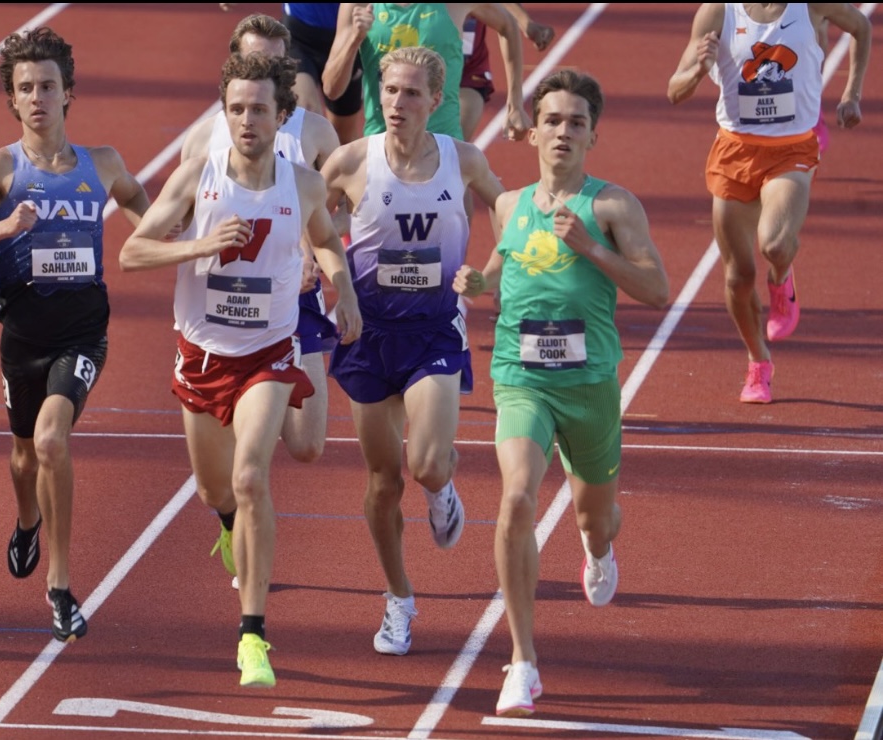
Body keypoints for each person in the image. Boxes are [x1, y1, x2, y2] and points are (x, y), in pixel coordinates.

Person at [119, 52, 362, 688]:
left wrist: (345, 290)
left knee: (252, 476)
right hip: (202, 354)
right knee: (215, 490)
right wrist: (201, 244)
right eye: (235, 109)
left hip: (269, 353)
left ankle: (253, 635)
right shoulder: (198, 178)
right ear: (222, 113)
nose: (246, 120)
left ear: (281, 116)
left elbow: (328, 240)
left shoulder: (302, 183)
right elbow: (133, 251)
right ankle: (228, 526)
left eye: (258, 109)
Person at [453, 69, 669, 716]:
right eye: (552, 120)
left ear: (593, 136)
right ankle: (523, 661)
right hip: (521, 381)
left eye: (577, 123)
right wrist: (476, 284)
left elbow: (657, 290)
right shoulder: (509, 205)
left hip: (590, 386)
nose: (563, 132)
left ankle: (598, 548)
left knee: (592, 517)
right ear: (534, 132)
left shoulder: (613, 207)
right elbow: (499, 267)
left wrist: (591, 247)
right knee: (516, 496)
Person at [0, 27, 150, 642]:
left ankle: (60, 585)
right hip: (21, 335)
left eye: (48, 86)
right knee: (24, 456)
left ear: (68, 93)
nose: (37, 98)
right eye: (25, 88)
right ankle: (27, 521)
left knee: (53, 439)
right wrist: (0, 231)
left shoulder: (100, 162)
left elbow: (141, 204)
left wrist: (171, 238)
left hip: (83, 330)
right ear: (12, 99)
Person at [320, 46, 506, 657]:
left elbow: (510, 213)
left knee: (424, 464)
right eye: (389, 92)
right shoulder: (352, 162)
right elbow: (310, 222)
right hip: (367, 334)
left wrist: (491, 274)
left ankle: (442, 486)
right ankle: (399, 598)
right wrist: (322, 273)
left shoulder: (465, 161)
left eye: (410, 94)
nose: (396, 104)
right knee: (381, 481)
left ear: (435, 100)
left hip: (433, 332)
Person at [181, 13, 343, 590]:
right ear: (234, 66)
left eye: (280, 65)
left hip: (296, 302)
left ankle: (254, 431)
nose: (270, 73)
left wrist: (310, 251)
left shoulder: (316, 132)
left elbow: (337, 210)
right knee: (227, 482)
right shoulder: (204, 140)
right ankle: (237, 518)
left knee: (307, 446)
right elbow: (182, 225)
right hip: (222, 313)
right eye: (258, 62)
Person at [666, 3, 871, 403]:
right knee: (737, 277)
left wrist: (852, 94)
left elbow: (861, 27)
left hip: (791, 148)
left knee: (774, 242)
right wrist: (696, 69)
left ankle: (781, 279)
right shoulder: (717, 13)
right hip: (734, 151)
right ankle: (758, 362)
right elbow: (674, 90)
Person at [322, 3, 531, 143]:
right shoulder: (357, 6)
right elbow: (332, 90)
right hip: (381, 145)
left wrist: (515, 105)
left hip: (443, 143)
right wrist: (354, 38)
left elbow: (508, 25)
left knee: (473, 195)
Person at [220, 3, 364, 144]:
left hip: (347, 33)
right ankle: (298, 164)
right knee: (306, 111)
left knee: (344, 136)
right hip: (299, 35)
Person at [461, 4, 556, 141]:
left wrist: (515, 105)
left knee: (451, 147)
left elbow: (506, 25)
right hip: (423, 73)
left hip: (467, 75)